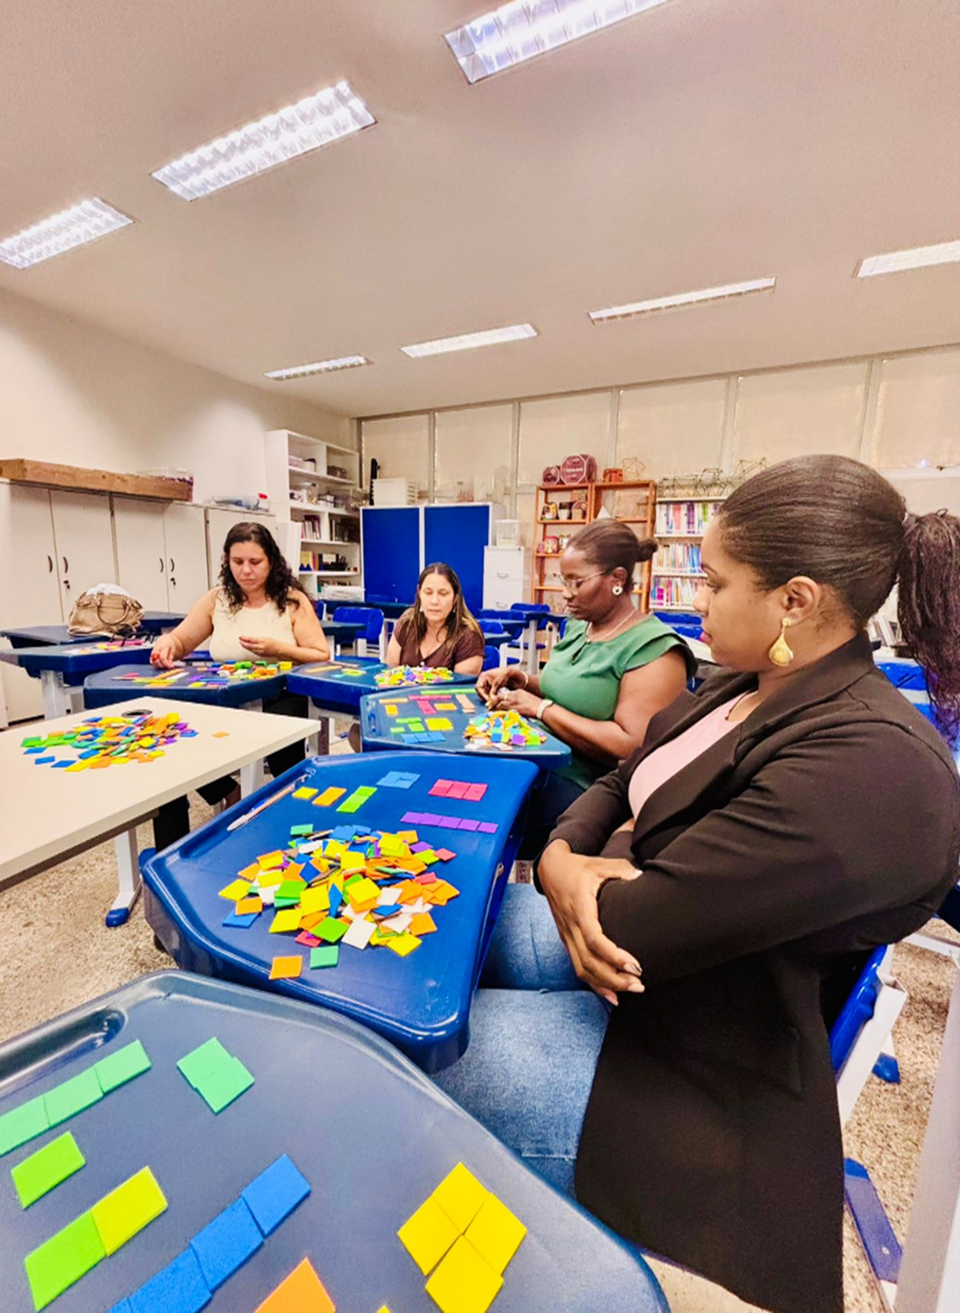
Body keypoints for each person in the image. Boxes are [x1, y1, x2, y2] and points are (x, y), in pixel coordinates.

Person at [433, 456, 960, 1313]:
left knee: (421, 1042)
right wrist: (564, 861)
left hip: (694, 1074)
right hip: (646, 983)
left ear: (795, 600)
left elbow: (634, 925)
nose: (695, 601)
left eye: (713, 584)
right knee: (445, 936)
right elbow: (621, 779)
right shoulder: (744, 683)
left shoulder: (874, 766)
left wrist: (597, 872)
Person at [476, 522, 694, 854]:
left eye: (576, 582)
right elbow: (574, 691)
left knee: (484, 815)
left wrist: (541, 709)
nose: (566, 593)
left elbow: (630, 745)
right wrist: (522, 679)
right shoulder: (581, 626)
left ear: (617, 579)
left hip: (587, 788)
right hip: (538, 761)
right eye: (563, 580)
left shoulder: (656, 650)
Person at [150, 521, 330, 848]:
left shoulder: (292, 601)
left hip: (279, 695)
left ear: (272, 561)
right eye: (238, 562)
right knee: (178, 744)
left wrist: (279, 650)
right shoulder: (217, 600)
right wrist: (167, 645)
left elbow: (320, 654)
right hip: (225, 698)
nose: (246, 570)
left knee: (283, 751)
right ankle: (228, 795)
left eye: (255, 562)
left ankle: (290, 823)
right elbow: (181, 640)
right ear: (226, 561)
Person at [386, 562, 485, 674]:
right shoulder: (407, 622)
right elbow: (389, 673)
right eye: (428, 593)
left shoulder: (468, 636)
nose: (434, 601)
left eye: (443, 594)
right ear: (419, 593)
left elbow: (462, 684)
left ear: (455, 598)